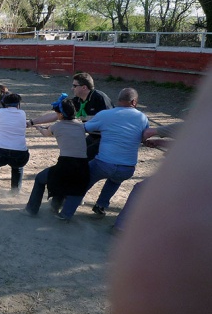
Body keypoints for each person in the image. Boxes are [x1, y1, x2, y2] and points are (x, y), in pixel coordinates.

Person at [109, 72, 212, 314]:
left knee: (142, 189)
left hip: (191, 184)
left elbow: (151, 133)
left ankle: (121, 225)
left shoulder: (186, 126)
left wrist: (152, 138)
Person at [56, 88, 149, 221]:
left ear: (118, 100)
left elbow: (83, 128)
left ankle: (66, 213)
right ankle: (101, 205)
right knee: (115, 180)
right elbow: (144, 137)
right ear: (134, 102)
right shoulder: (143, 118)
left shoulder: (106, 115)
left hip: (104, 163)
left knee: (82, 183)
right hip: (127, 168)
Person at [22, 97, 89, 216]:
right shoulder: (81, 126)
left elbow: (46, 133)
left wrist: (39, 128)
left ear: (61, 114)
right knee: (61, 180)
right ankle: (54, 208)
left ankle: (31, 210)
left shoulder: (57, 126)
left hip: (66, 163)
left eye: (57, 113)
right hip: (83, 166)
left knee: (40, 179)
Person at [112, 122, 183, 232]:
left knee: (141, 189)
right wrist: (160, 142)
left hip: (190, 175)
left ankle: (122, 226)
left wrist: (148, 135)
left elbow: (149, 132)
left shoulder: (195, 124)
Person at [29, 72, 113, 160]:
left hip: (106, 138)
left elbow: (111, 122)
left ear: (84, 87)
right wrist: (32, 122)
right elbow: (57, 114)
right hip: (93, 136)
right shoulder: (78, 100)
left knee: (84, 158)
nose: (72, 88)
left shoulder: (100, 98)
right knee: (77, 153)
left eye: (74, 86)